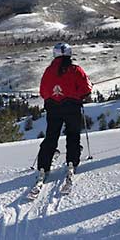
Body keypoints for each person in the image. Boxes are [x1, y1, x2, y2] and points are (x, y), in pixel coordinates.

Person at [37, 42, 92, 177]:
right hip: (72, 106)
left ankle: (44, 164)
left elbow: (43, 91)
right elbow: (86, 89)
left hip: (53, 107)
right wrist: (80, 96)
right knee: (73, 134)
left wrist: (53, 97)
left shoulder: (49, 70)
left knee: (51, 135)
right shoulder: (75, 69)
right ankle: (72, 160)